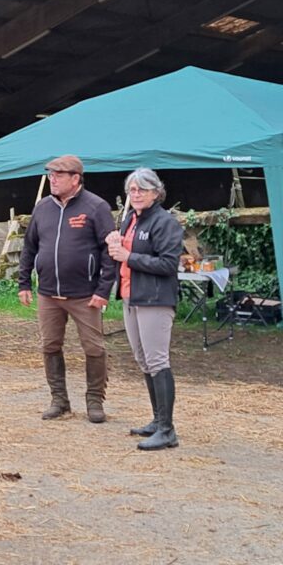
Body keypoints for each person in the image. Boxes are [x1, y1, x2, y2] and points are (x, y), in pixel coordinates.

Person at [18, 155, 115, 423]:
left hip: (85, 295)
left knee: (94, 348)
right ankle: (59, 400)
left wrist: (103, 290)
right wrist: (24, 282)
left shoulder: (96, 207)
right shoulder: (42, 207)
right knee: (50, 345)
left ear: (75, 179)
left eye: (58, 175)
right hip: (48, 294)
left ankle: (94, 401)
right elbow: (29, 247)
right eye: (50, 174)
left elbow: (110, 252)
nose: (52, 179)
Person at [106, 168, 182, 450]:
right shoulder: (130, 219)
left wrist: (129, 256)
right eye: (132, 190)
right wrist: (115, 244)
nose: (136, 194)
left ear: (156, 192)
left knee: (157, 360)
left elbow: (168, 264)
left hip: (155, 299)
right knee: (143, 359)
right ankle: (157, 420)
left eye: (142, 189)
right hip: (131, 296)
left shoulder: (165, 223)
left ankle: (167, 430)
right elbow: (123, 255)